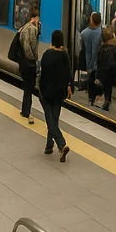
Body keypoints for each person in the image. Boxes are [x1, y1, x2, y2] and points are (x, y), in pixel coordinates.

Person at [38, 30, 73, 161]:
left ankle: (61, 144)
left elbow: (42, 75)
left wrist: (41, 90)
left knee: (50, 121)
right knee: (54, 119)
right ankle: (49, 145)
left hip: (46, 93)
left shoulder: (47, 55)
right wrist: (69, 87)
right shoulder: (65, 56)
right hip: (59, 94)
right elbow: (69, 73)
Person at [16, 7, 40, 123]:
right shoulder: (32, 29)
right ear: (36, 17)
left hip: (23, 63)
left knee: (26, 88)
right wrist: (35, 59)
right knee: (29, 89)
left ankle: (24, 110)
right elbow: (32, 47)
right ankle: (26, 111)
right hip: (29, 63)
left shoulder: (24, 27)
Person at [79, 12, 103, 105]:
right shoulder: (101, 33)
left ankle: (90, 98)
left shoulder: (84, 33)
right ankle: (97, 96)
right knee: (97, 80)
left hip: (88, 61)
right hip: (97, 63)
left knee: (91, 80)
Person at [96, 26, 116, 112]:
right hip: (110, 74)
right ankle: (106, 102)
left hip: (103, 73)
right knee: (108, 89)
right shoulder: (113, 49)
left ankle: (105, 101)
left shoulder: (101, 48)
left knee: (106, 89)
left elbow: (98, 62)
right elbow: (112, 63)